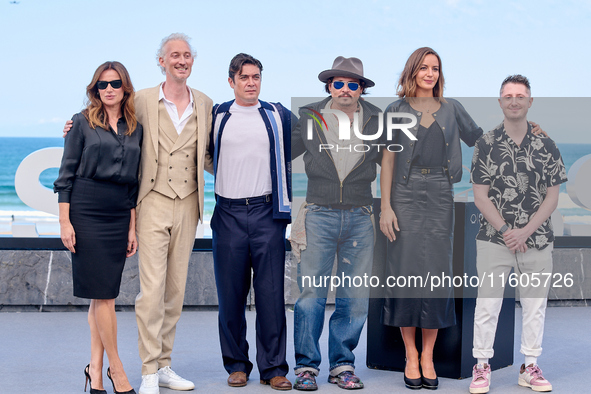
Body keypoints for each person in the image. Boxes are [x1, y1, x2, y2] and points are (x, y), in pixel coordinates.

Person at [63, 33, 212, 394]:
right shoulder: (143, 99)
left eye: (186, 55)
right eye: (173, 55)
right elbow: (92, 137)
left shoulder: (205, 103)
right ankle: (146, 369)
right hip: (149, 202)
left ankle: (163, 365)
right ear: (161, 61)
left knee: (175, 290)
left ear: (193, 61)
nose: (181, 60)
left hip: (186, 203)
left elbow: (211, 152)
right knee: (151, 290)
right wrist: (71, 129)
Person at [379, 47, 485, 390]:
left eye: (435, 68)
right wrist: (386, 206)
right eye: (423, 68)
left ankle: (428, 356)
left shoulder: (452, 109)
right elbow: (388, 161)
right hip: (404, 195)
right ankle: (411, 355)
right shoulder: (395, 110)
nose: (430, 73)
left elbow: (482, 140)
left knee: (438, 275)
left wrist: (521, 128)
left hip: (440, 192)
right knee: (405, 270)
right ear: (412, 72)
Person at [468, 75, 566, 394]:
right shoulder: (485, 144)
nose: (514, 100)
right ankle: (482, 366)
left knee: (534, 304)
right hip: (494, 239)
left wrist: (525, 230)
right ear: (500, 102)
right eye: (508, 96)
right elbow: (480, 195)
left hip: (537, 239)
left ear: (530, 101)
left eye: (520, 95)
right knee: (488, 304)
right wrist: (509, 231)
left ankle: (530, 366)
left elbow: (553, 196)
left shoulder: (546, 144)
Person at [290, 56, 381, 390]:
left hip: (360, 215)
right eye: (338, 83)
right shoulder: (310, 115)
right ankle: (306, 368)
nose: (345, 89)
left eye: (352, 84)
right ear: (329, 86)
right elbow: (280, 150)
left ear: (360, 89)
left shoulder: (376, 118)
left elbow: (399, 160)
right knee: (310, 294)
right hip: (319, 214)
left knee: (354, 297)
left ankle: (342, 365)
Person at [54, 61, 142, 394]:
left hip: (119, 212)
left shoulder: (136, 127)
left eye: (115, 84)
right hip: (86, 210)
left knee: (99, 297)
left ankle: (95, 373)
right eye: (102, 85)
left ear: (125, 88)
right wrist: (65, 221)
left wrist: (132, 227)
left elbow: (133, 184)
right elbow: (65, 176)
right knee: (104, 296)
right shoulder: (80, 123)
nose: (108, 89)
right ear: (95, 89)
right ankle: (117, 371)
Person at [208, 53, 292, 390]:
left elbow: (317, 135)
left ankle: (273, 369)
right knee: (231, 296)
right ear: (231, 81)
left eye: (256, 77)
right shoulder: (217, 115)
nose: (251, 83)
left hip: (267, 214)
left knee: (271, 295)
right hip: (227, 213)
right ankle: (237, 365)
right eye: (244, 77)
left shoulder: (276, 114)